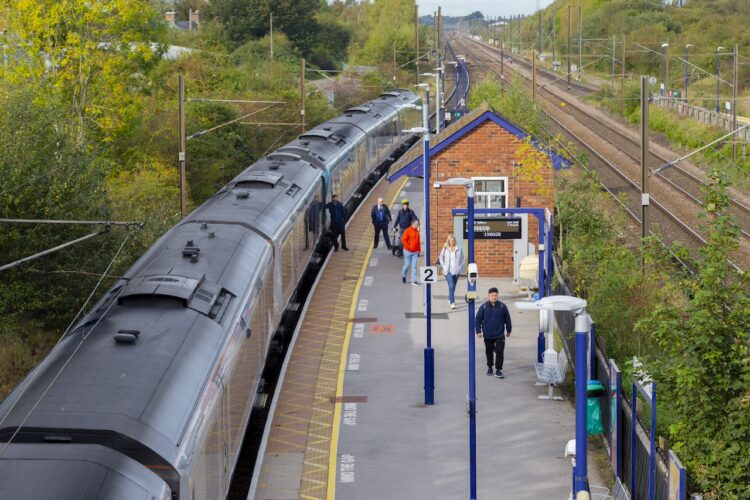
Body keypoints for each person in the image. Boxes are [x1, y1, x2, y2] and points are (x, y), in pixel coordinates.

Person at [475, 287, 512, 378]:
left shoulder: (502, 307)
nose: (494, 297)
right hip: (488, 335)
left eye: (496, 295)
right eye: (492, 296)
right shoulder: (483, 307)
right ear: (488, 296)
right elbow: (478, 319)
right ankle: (490, 367)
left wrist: (508, 330)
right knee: (489, 352)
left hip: (499, 334)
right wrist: (478, 331)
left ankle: (498, 370)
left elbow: (508, 319)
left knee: (499, 351)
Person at [438, 234, 465, 309]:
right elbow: (441, 257)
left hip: (456, 271)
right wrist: (443, 265)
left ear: (455, 241)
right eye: (450, 241)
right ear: (448, 242)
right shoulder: (445, 248)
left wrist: (460, 266)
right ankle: (452, 303)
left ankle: (450, 298)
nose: (452, 242)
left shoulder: (459, 248)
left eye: (453, 240)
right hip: (447, 270)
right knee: (451, 286)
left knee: (453, 287)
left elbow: (463, 258)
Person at [400, 219, 421, 286]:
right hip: (407, 251)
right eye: (417, 224)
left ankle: (413, 280)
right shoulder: (408, 230)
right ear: (413, 224)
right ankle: (403, 275)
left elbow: (418, 242)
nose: (418, 225)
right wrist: (408, 247)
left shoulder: (417, 232)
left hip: (415, 252)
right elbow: (403, 240)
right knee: (407, 265)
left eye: (418, 224)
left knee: (414, 266)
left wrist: (418, 250)